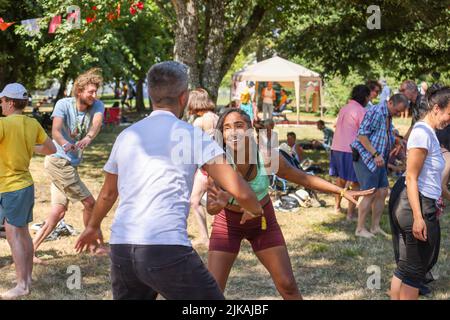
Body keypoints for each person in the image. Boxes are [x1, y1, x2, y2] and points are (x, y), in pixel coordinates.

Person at [75, 61, 265, 300]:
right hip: (165, 247)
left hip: (122, 248)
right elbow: (241, 191)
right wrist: (256, 209)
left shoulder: (127, 135)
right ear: (184, 97)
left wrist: (92, 226)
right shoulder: (192, 135)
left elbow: (107, 194)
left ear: (152, 94)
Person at [205, 108, 373, 299]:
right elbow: (211, 208)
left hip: (263, 222)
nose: (233, 132)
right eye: (227, 128)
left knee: (287, 285)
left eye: (239, 126)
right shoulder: (218, 163)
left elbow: (303, 178)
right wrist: (219, 204)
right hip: (228, 223)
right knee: (212, 291)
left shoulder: (267, 157)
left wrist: (341, 190)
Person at [32, 68, 107, 264]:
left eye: (95, 91)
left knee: (58, 212)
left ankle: (29, 250)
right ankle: (93, 246)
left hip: (69, 165)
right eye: (90, 91)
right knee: (90, 203)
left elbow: (96, 124)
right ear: (79, 90)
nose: (94, 95)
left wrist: (89, 137)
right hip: (58, 160)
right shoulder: (63, 104)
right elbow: (55, 130)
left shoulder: (97, 105)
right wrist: (65, 143)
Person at [389, 84, 450, 300]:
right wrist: (418, 217)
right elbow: (411, 177)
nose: (449, 120)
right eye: (449, 113)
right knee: (415, 272)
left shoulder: (428, 133)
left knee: (406, 267)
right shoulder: (423, 133)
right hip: (418, 205)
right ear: (436, 109)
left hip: (418, 202)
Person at [0, 83, 56, 299]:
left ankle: (22, 285)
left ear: (11, 102)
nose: (1, 104)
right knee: (21, 232)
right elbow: (51, 149)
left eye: (3, 100)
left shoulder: (4, 124)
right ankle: (27, 279)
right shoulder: (32, 124)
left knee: (14, 235)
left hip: (11, 187)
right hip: (24, 185)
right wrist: (27, 147)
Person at [351, 94, 409, 238]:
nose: (398, 114)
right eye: (397, 110)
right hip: (367, 158)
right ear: (390, 103)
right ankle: (359, 229)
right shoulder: (376, 112)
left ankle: (375, 227)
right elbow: (362, 135)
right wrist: (375, 154)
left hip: (380, 159)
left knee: (383, 191)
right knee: (370, 192)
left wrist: (396, 140)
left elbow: (382, 133)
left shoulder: (388, 115)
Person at [330, 85, 370, 220]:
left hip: (336, 147)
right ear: (365, 97)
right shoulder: (361, 111)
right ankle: (350, 214)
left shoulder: (344, 108)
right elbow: (364, 133)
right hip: (350, 149)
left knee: (340, 180)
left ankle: (336, 207)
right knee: (356, 182)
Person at [188, 88, 219, 247]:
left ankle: (205, 237)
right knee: (217, 202)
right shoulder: (216, 117)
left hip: (205, 167)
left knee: (195, 200)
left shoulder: (199, 122)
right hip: (219, 166)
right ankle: (214, 237)